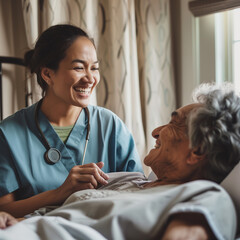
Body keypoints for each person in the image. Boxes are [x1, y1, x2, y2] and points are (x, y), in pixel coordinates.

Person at [1, 83, 238, 240]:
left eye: (174, 123)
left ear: (196, 151)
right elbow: (50, 217)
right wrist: (11, 220)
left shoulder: (205, 198)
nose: (156, 131)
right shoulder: (127, 179)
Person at [0, 24, 142, 218]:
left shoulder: (110, 126)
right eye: (78, 68)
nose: (90, 78)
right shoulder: (8, 134)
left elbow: (138, 191)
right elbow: (3, 210)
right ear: (48, 74)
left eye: (94, 68)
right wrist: (59, 193)